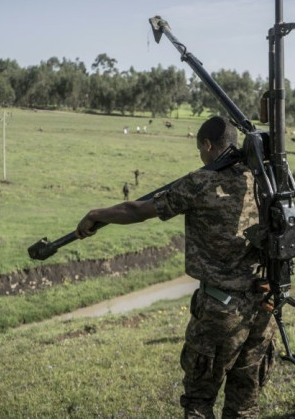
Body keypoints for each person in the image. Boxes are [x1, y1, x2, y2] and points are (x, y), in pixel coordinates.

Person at [76, 116, 276, 418]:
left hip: (220, 312)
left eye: (201, 150)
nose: (201, 156)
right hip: (264, 306)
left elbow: (137, 210)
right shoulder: (263, 180)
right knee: (244, 406)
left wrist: (94, 214)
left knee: (198, 402)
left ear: (208, 146)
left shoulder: (200, 182)